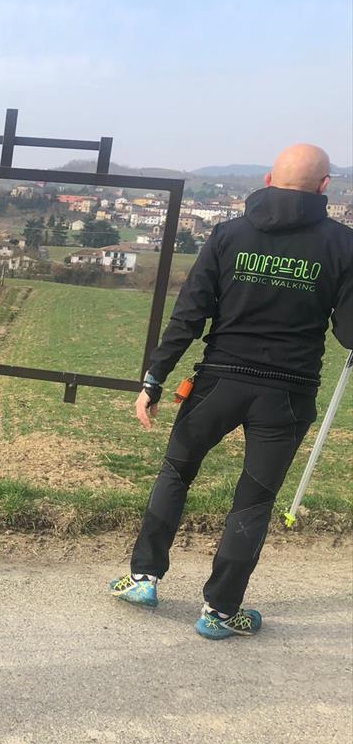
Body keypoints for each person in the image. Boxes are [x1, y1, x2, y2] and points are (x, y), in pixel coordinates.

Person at [110, 144, 352, 639]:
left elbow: (189, 314)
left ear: (268, 179)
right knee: (254, 501)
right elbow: (349, 332)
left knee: (176, 472)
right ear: (325, 186)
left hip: (217, 382)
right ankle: (220, 612)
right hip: (287, 395)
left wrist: (154, 379)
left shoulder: (228, 234)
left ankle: (143, 578)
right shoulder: (344, 245)